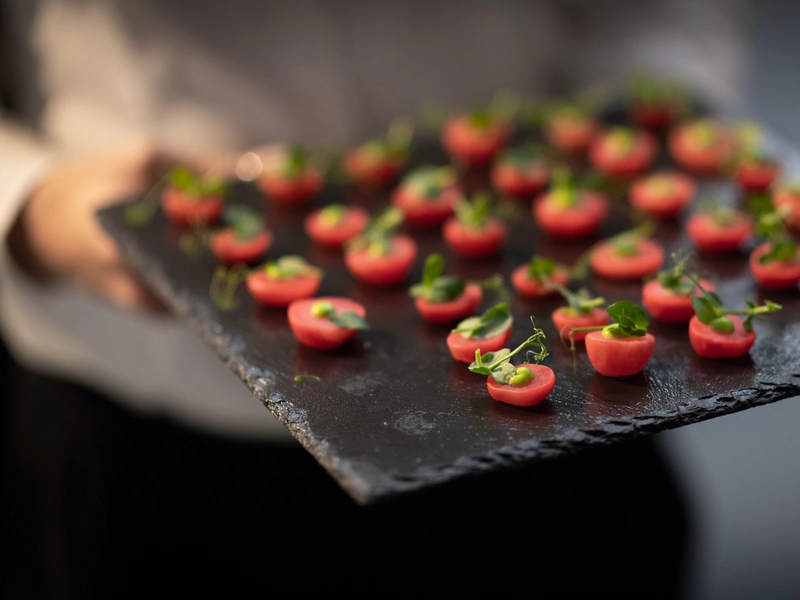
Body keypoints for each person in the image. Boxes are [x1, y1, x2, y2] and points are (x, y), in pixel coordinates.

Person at [1, 0, 751, 598]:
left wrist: (649, 104)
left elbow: (663, 15)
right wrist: (30, 199)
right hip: (148, 447)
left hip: (556, 439)